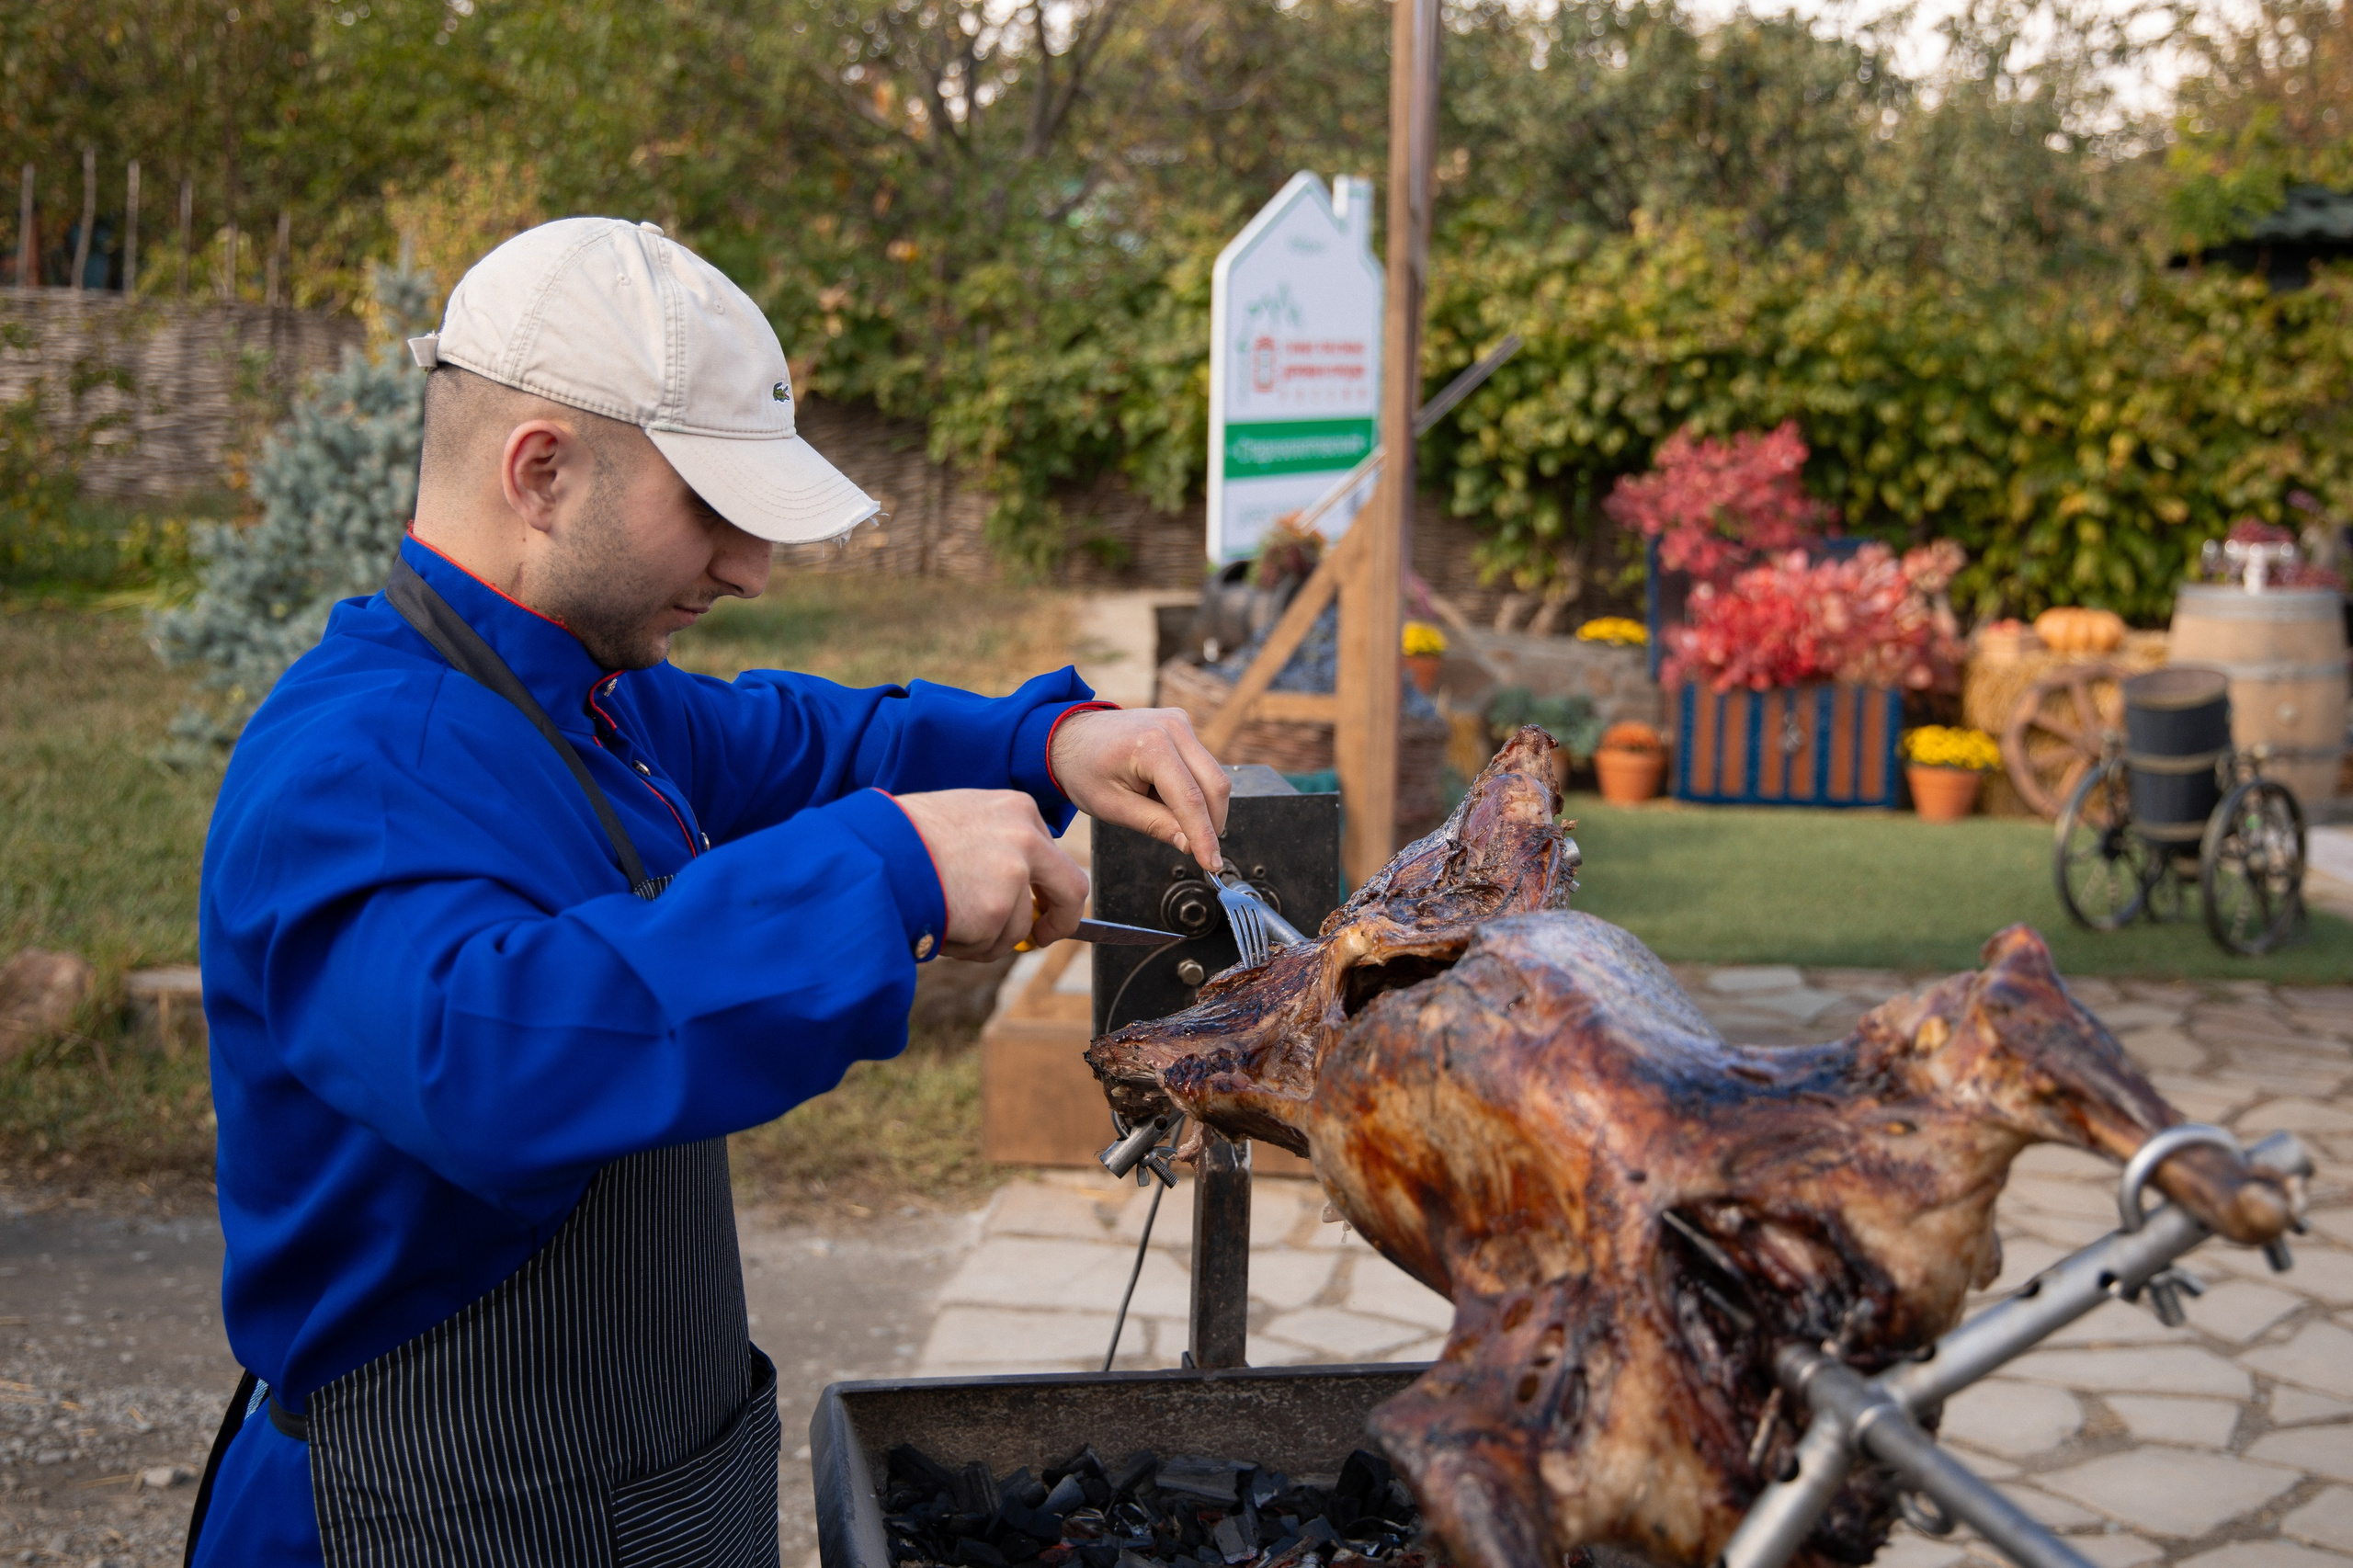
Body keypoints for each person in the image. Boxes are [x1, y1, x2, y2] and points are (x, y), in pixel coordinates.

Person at [187, 216, 1233, 1567]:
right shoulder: (349, 768)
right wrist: (887, 869)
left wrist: (1045, 741)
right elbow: (494, 1053)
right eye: (714, 510)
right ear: (542, 471)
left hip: (623, 1494)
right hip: (418, 1517)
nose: (751, 567)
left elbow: (803, 741)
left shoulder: (593, 699)